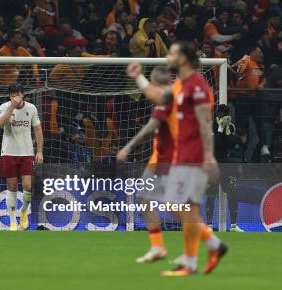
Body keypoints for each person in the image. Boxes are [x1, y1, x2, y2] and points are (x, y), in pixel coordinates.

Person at [126, 41, 227, 276]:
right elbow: (158, 97)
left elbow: (204, 123)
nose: (167, 56)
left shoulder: (198, 87)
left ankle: (198, 256)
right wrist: (139, 77)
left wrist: (209, 157)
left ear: (183, 58)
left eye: (171, 53)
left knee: (179, 207)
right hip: (180, 158)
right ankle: (206, 251)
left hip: (193, 157)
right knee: (180, 207)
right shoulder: (180, 86)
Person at [117, 66, 174, 263]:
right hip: (159, 159)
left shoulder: (168, 100)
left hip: (172, 159)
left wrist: (128, 147)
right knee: (143, 198)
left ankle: (210, 241)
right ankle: (158, 246)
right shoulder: (167, 99)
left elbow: (149, 128)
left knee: (174, 206)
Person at [0, 84, 43, 231]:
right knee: (12, 187)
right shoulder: (4, 107)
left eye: (17, 94)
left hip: (26, 152)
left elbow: (37, 130)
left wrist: (39, 152)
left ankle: (23, 212)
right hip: (9, 152)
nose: (14, 97)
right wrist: (11, 108)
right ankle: (12, 221)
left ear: (23, 94)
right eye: (12, 95)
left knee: (28, 186)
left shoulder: (31, 108)